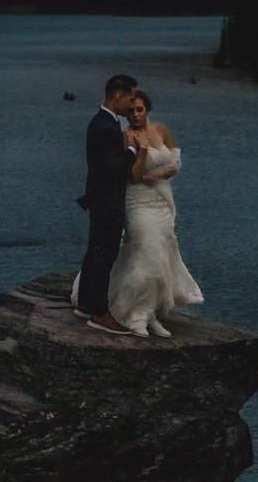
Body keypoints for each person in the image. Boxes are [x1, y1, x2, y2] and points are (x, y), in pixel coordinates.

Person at [104, 86, 203, 337]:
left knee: (161, 254)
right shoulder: (126, 136)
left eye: (140, 110)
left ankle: (153, 313)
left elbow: (175, 162)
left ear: (147, 110)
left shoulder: (161, 130)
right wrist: (142, 151)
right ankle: (136, 314)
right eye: (132, 111)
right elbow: (134, 176)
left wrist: (158, 174)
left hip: (161, 201)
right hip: (137, 202)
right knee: (148, 252)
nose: (136, 114)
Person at [73, 73, 138, 333]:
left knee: (94, 251)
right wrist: (132, 151)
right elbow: (113, 167)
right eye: (130, 98)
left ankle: (86, 304)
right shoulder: (104, 126)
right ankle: (100, 312)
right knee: (104, 255)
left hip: (99, 198)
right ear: (118, 96)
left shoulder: (102, 122)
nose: (132, 105)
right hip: (107, 200)